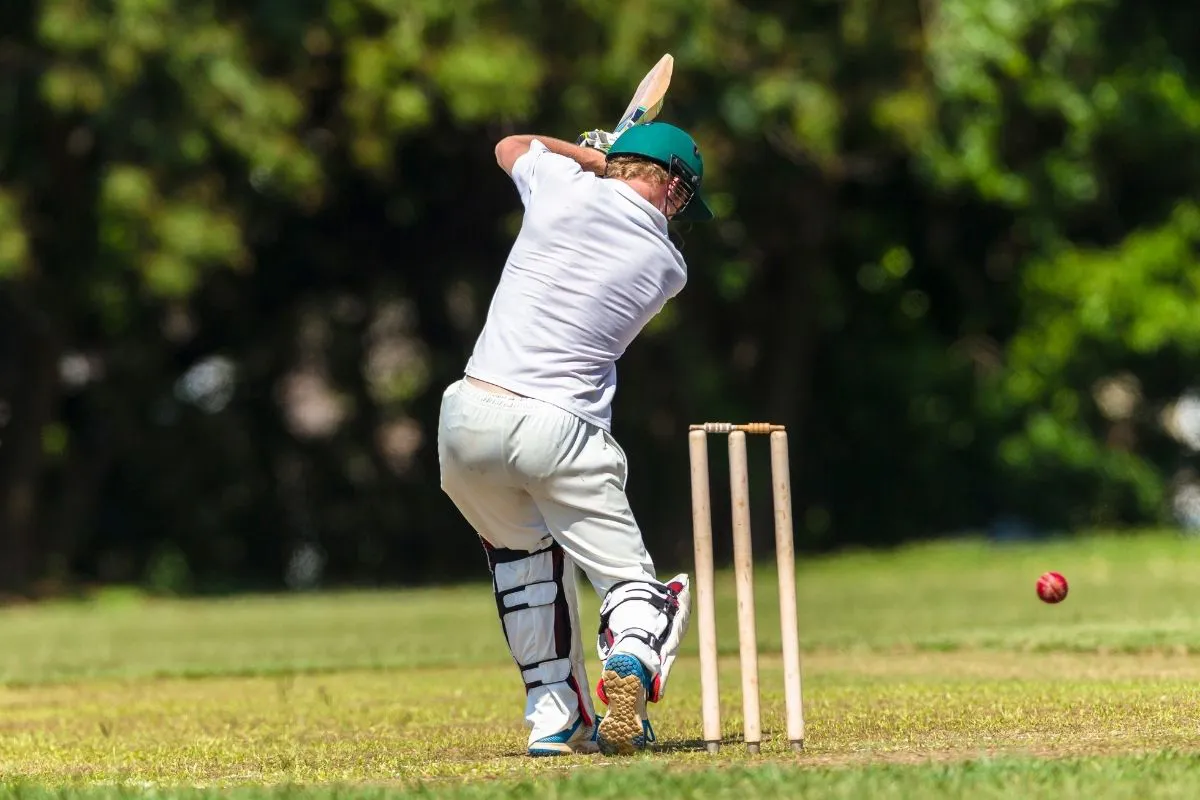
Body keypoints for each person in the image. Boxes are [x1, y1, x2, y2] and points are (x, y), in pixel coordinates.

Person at [436, 121, 714, 757]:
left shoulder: (556, 186)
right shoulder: (667, 264)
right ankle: (635, 657)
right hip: (559, 429)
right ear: (670, 185)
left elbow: (510, 145)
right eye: (681, 199)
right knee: (635, 588)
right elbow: (616, 200)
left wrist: (585, 153)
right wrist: (603, 161)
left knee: (523, 565)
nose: (679, 214)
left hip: (467, 421)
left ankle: (554, 717)